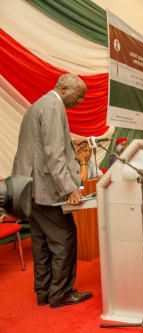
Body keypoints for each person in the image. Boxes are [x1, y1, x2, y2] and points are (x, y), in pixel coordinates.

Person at [11, 74, 92, 308]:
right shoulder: (55, 106)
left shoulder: (37, 105)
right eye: (78, 96)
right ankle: (61, 293)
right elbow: (53, 154)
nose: (79, 102)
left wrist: (70, 143)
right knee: (65, 238)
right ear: (64, 87)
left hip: (28, 187)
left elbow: (37, 147)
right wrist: (69, 188)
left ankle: (44, 292)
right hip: (46, 190)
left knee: (41, 242)